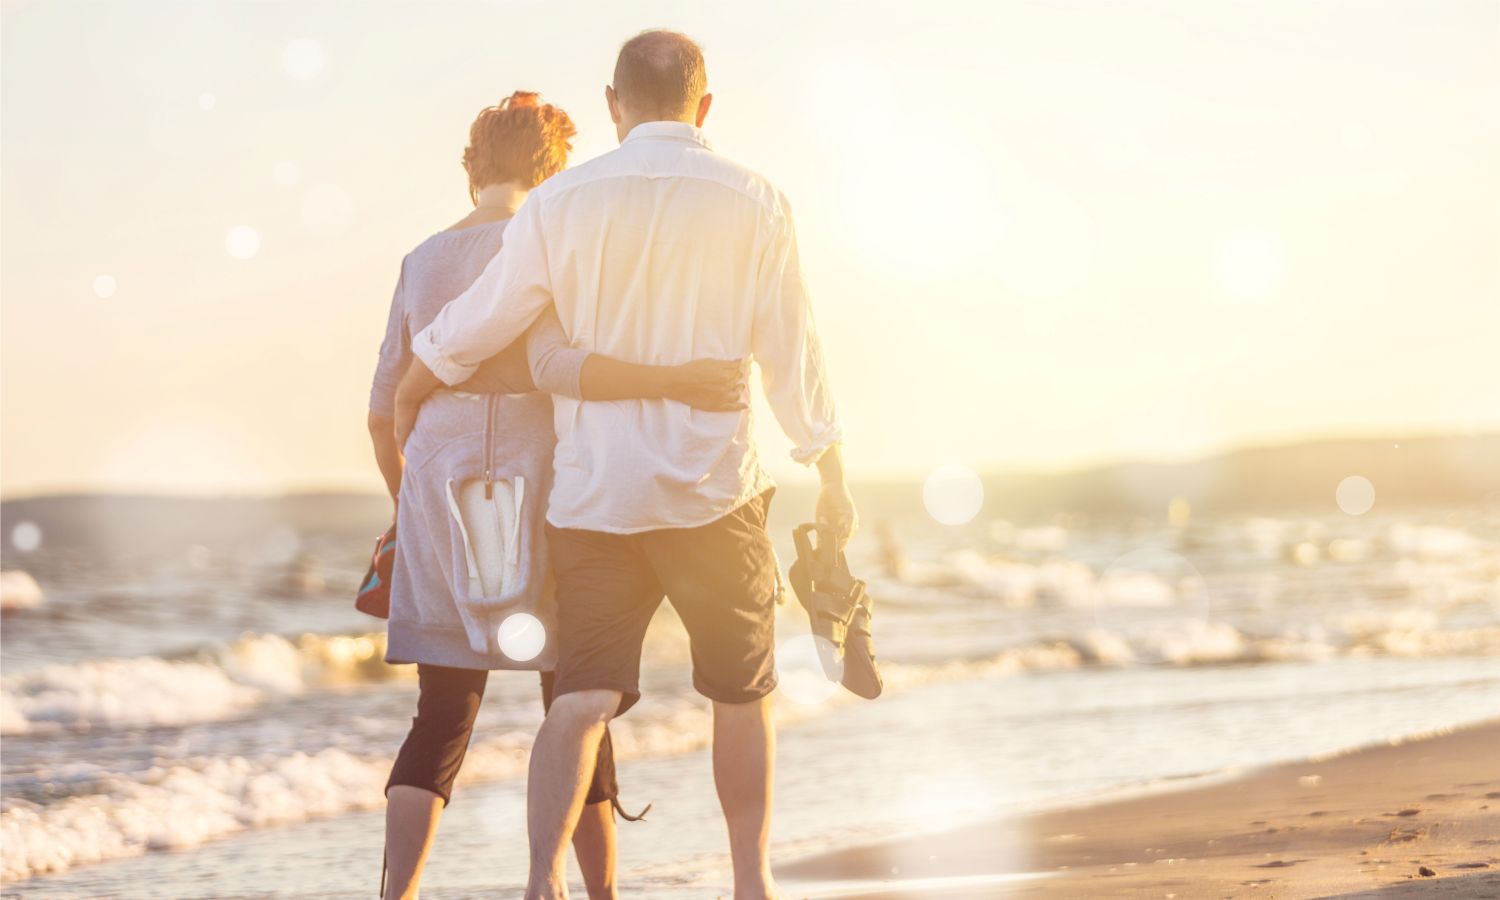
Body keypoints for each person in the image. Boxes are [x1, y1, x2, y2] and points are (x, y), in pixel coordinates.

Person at [394, 31, 857, 900]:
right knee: (738, 692)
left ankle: (541, 884)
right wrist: (827, 464)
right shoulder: (757, 199)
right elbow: (793, 350)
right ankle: (751, 883)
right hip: (714, 493)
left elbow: (485, 320)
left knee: (581, 698)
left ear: (613, 105)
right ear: (706, 106)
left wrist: (420, 378)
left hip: (595, 498)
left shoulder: (560, 204)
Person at [367, 91, 746, 900]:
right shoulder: (561, 240)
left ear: (474, 165)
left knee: (442, 712)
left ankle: (394, 896)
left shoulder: (422, 260)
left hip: (439, 469)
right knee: (572, 693)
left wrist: (409, 511)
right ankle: (597, 893)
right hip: (545, 469)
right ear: (553, 165)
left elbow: (381, 413)